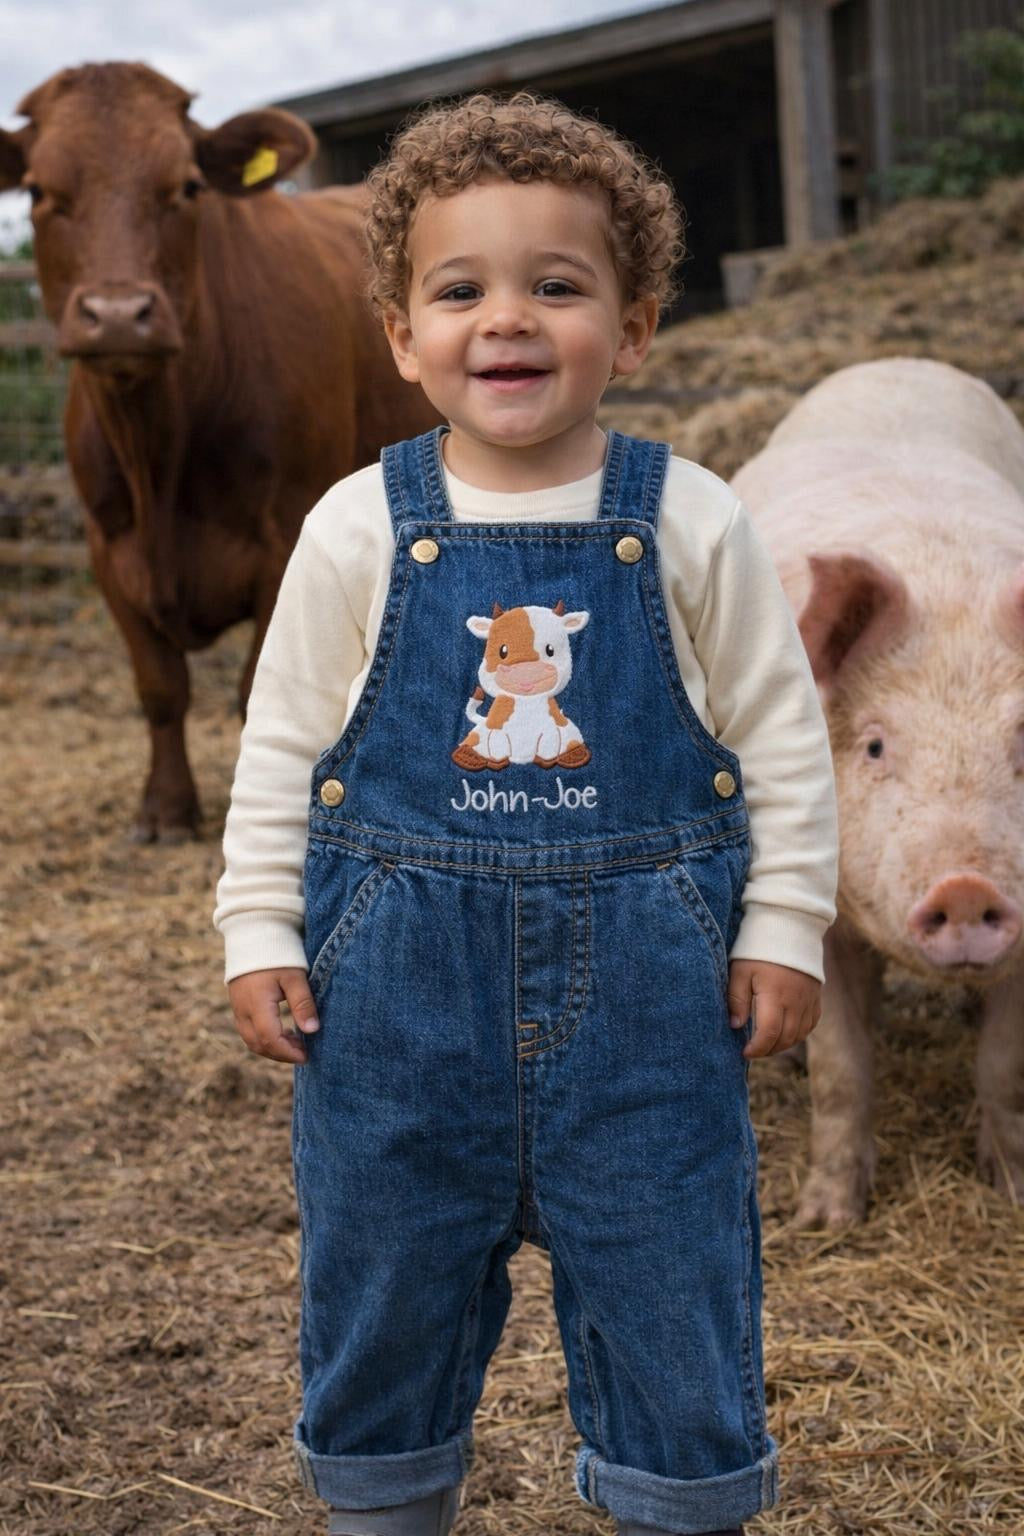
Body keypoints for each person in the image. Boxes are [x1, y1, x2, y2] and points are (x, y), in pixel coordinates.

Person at [214, 92, 838, 1536]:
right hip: (393, 1022)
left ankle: (679, 1501)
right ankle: (385, 1505)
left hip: (653, 1023)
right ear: (399, 335)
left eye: (558, 287)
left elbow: (778, 739)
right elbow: (283, 749)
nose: (509, 318)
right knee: (382, 1299)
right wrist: (258, 927)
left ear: (633, 329)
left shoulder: (689, 518)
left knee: (677, 1305)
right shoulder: (356, 526)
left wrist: (788, 924)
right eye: (461, 290)